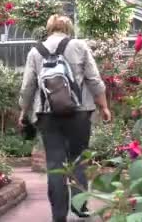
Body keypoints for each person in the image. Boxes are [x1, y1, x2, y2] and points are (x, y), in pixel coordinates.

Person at [17, 14, 111, 222]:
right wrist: (104, 106)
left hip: (47, 115)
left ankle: (58, 215)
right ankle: (80, 207)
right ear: (69, 28)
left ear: (49, 28)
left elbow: (28, 87)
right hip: (78, 112)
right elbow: (94, 79)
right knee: (78, 159)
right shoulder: (79, 46)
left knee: (55, 163)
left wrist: (24, 112)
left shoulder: (36, 51)